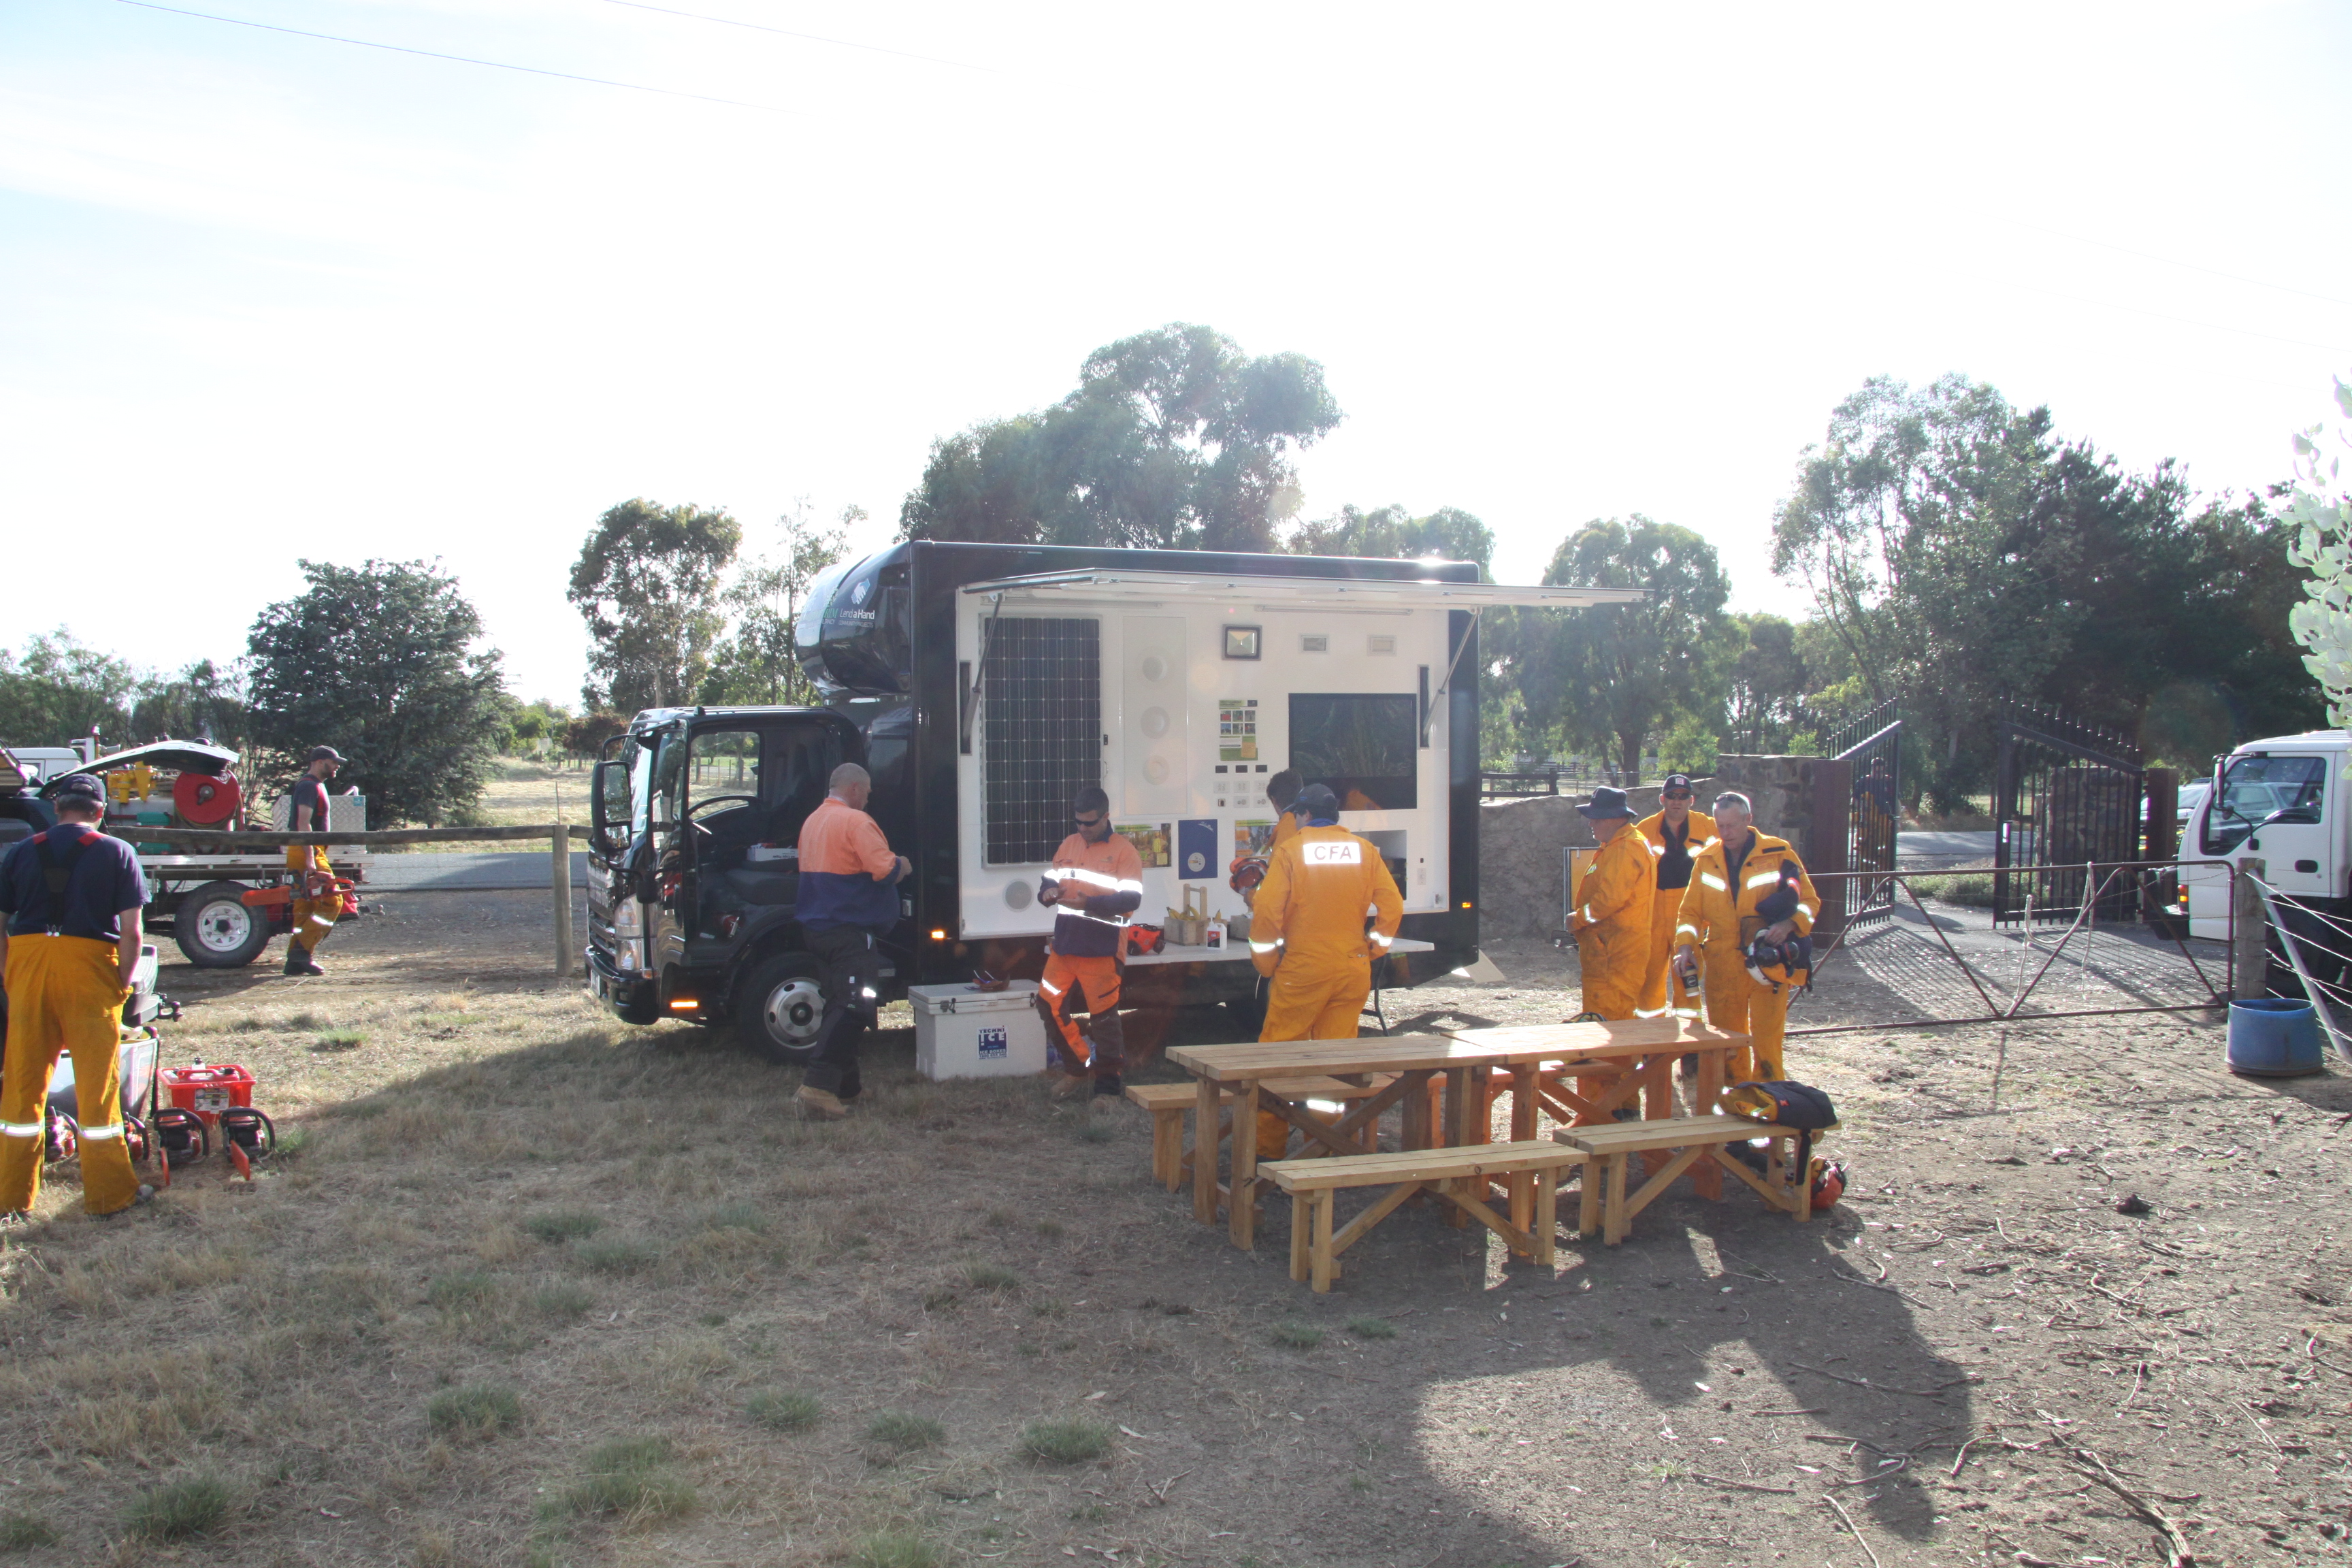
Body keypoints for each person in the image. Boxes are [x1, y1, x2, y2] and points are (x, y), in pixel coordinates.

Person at [0, 773, 153, 1221]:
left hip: (27, 967)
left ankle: (11, 1198)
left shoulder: (19, 852)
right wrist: (120, 985)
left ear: (58, 808)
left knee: (22, 1084)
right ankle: (109, 1195)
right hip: (89, 968)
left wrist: (11, 977)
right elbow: (132, 931)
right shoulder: (117, 852)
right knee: (96, 1086)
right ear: (100, 812)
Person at [1248, 784, 1405, 1150]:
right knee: (1334, 1065)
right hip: (1352, 970)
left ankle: (1267, 1152)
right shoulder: (1365, 851)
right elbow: (1393, 906)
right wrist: (1374, 948)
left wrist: (1267, 962)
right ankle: (1320, 1147)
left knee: (1278, 1062)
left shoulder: (1290, 851)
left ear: (1302, 815)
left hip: (1303, 970)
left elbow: (1267, 912)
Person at [1673, 791, 1820, 1085]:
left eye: (1731, 825)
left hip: (1768, 964)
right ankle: (1736, 1104)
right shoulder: (1706, 860)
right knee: (1728, 1044)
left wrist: (1791, 923)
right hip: (1723, 964)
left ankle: (1770, 1103)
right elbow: (1689, 912)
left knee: (1767, 1041)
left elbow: (1810, 901)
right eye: (1720, 826)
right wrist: (1685, 946)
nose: (1725, 833)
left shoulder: (1778, 853)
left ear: (1748, 820)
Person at [793, 762, 911, 1120]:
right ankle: (817, 1088)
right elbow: (885, 870)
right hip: (848, 930)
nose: (871, 796)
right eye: (869, 790)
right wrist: (905, 864)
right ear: (856, 789)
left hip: (817, 928)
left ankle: (847, 1087)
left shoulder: (814, 820)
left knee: (838, 1003)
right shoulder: (857, 822)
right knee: (855, 1006)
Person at [1035, 787, 1144, 1107]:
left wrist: (1090, 904)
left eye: (1090, 823)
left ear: (1106, 817)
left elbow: (1131, 899)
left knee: (1104, 1020)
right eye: (1079, 822)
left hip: (1102, 947)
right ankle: (1077, 1068)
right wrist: (1048, 890)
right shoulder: (1069, 844)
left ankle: (1108, 1087)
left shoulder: (1125, 852)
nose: (1083, 828)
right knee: (1048, 1005)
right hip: (1066, 944)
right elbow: (1048, 878)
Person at [1632, 774, 1716, 1022]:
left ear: (1692, 800)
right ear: (1662, 799)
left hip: (1690, 910)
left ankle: (1690, 1045)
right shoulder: (1644, 830)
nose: (1676, 801)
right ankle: (1650, 1043)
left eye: (1682, 797)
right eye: (1671, 796)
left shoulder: (1708, 827)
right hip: (1654, 909)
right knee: (1649, 977)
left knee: (1688, 976)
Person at [1567, 786, 1650, 1022]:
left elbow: (1609, 901)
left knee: (1612, 1015)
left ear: (1614, 819)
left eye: (1595, 819)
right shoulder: (1618, 845)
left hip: (1615, 950)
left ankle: (1615, 1061)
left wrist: (1577, 920)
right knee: (1605, 1014)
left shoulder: (1625, 848)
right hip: (1609, 947)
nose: (1591, 824)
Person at [282, 745, 344, 976]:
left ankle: (295, 961)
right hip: (307, 850)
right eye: (333, 761)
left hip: (308, 849)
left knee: (305, 906)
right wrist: (311, 858)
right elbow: (303, 823)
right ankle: (301, 953)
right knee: (333, 901)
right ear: (319, 762)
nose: (337, 766)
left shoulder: (316, 786)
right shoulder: (309, 786)